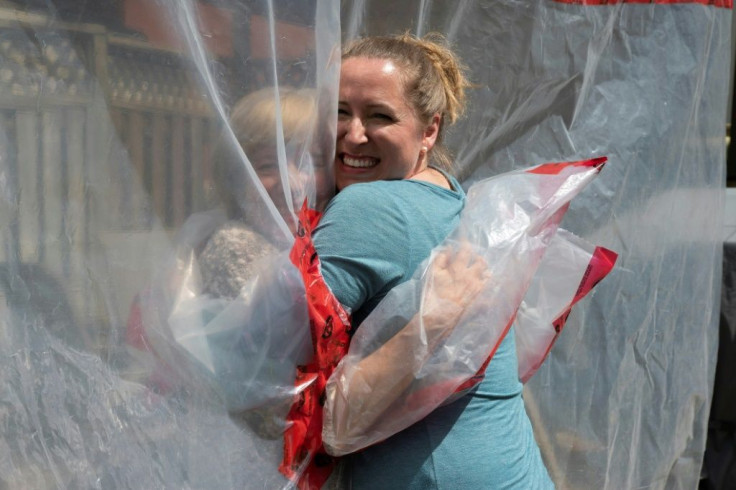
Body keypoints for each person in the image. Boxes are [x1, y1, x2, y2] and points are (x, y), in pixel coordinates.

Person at [312, 33, 555, 489]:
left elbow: (281, 378)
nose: (353, 133)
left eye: (379, 116)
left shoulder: (370, 207)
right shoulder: (447, 195)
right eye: (339, 112)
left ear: (430, 130)